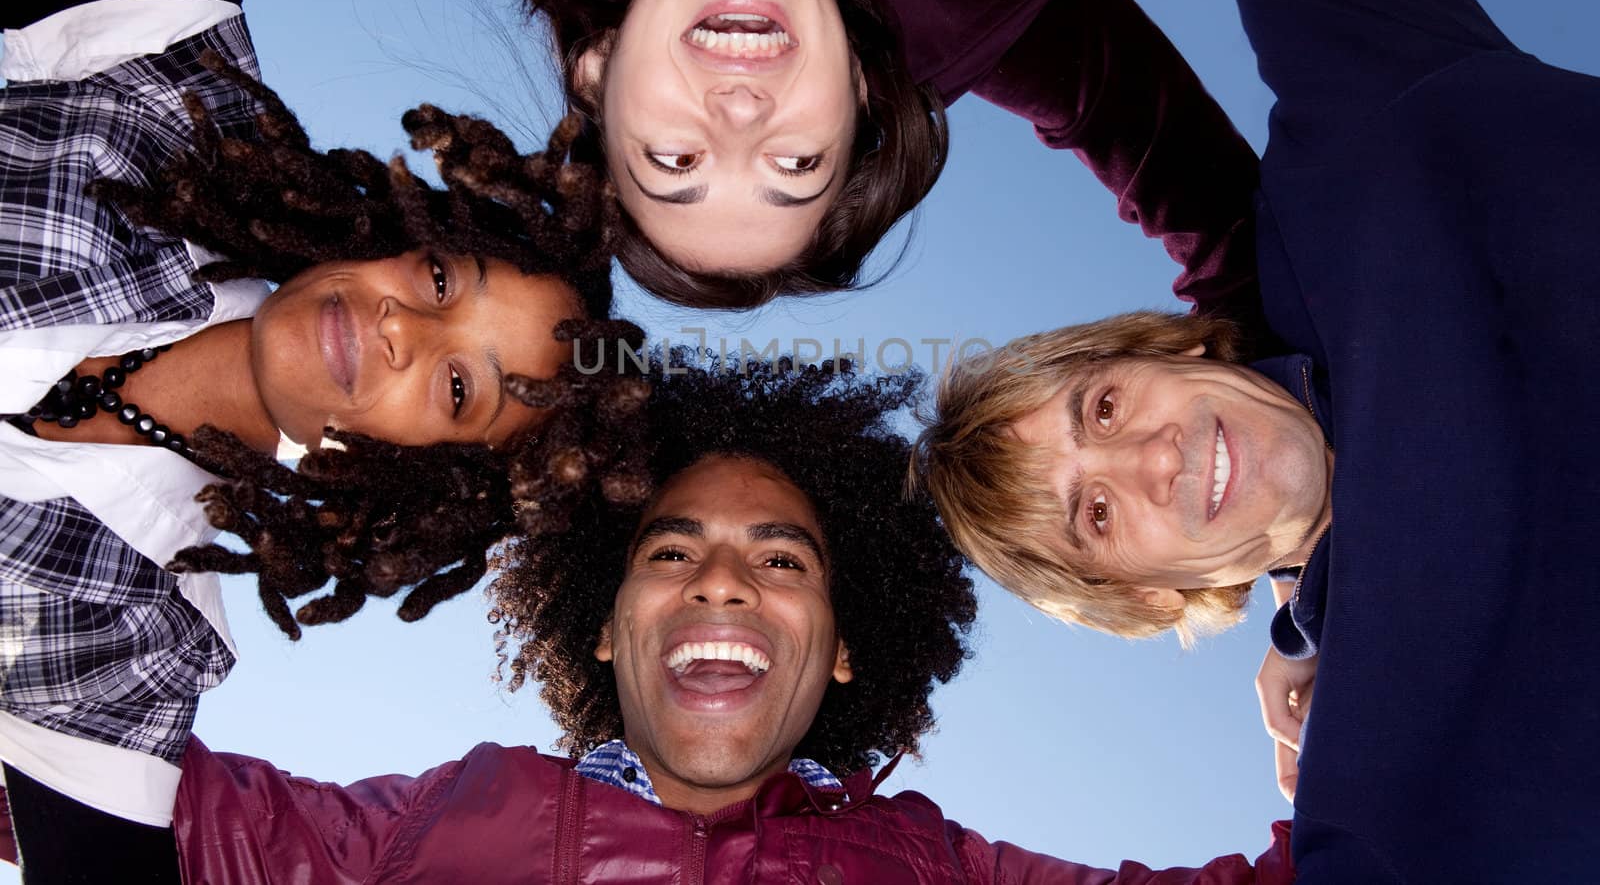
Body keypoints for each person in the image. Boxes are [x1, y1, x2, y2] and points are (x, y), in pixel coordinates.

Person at [916, 0, 1600, 878]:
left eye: (1099, 406)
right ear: (1149, 596)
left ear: (1169, 353)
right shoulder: (1382, 791)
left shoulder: (1362, 152)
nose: (1150, 456)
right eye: (1096, 515)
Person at [0, 0, 647, 873]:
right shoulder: (176, 117)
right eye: (442, 281)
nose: (402, 326)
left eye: (453, 387)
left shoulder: (136, 638)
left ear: (418, 475)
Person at [0, 358, 1294, 883]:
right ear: (607, 625)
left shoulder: (929, 862)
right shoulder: (443, 823)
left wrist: (1318, 650)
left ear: (843, 643)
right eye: (671, 549)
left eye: (780, 557)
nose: (721, 581)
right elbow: (116, 782)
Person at [430, 0, 1265, 319]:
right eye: (795, 165)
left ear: (598, 73)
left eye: (675, 159)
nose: (740, 116)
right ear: (859, 100)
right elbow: (1201, 193)